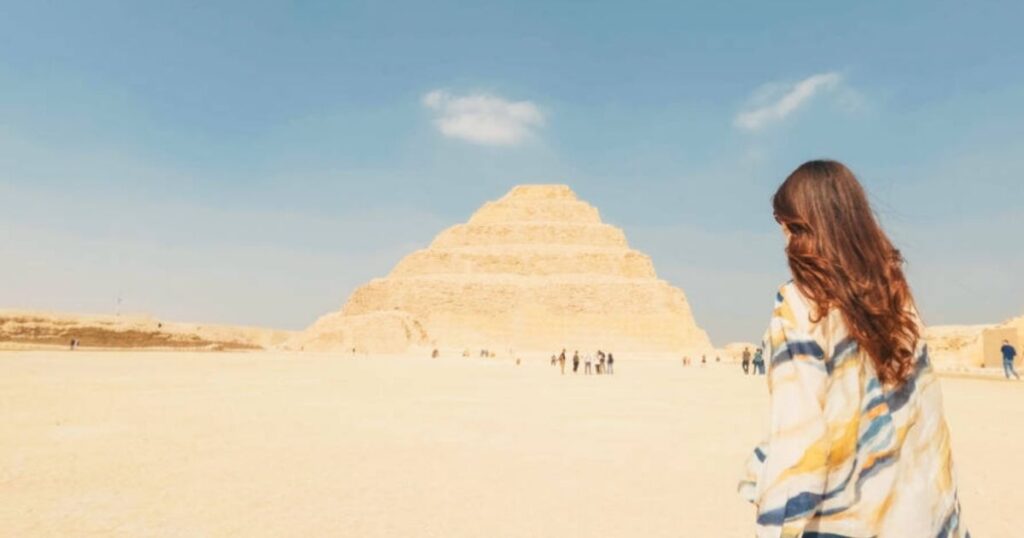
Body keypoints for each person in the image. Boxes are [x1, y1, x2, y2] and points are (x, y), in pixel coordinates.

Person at [738, 160, 968, 537]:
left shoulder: (799, 307)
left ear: (802, 228)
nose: (784, 241)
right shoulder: (896, 302)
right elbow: (929, 430)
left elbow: (800, 438)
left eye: (787, 227)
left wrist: (774, 525)